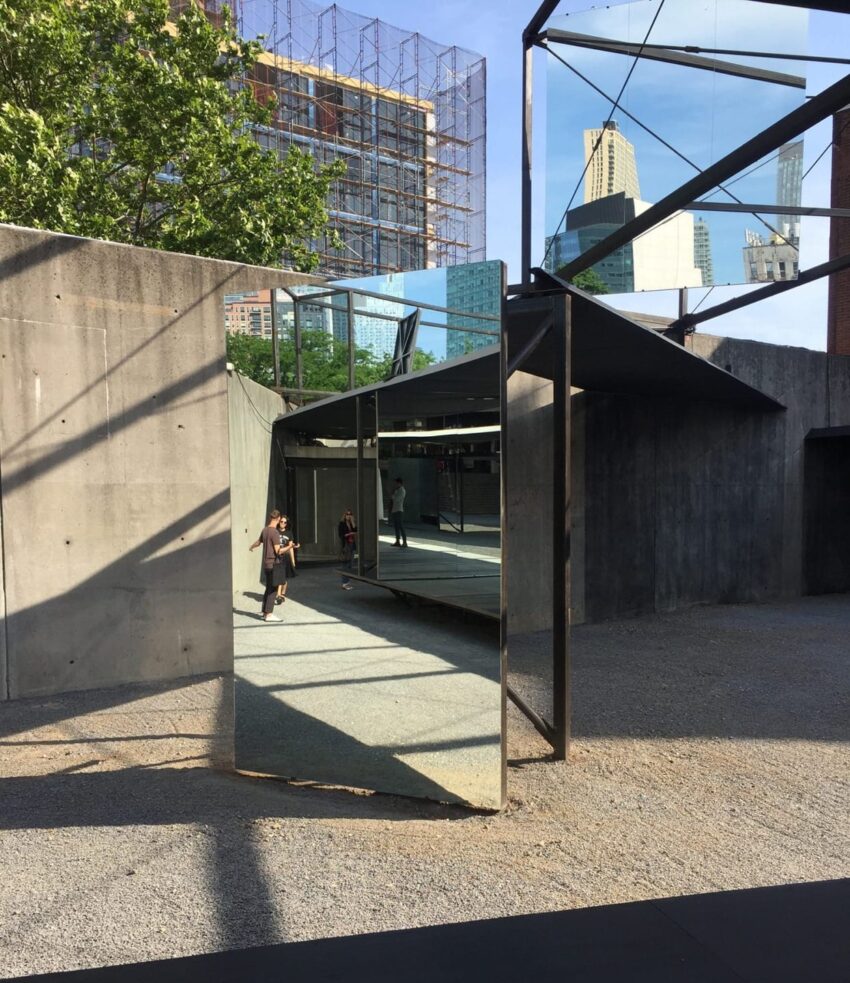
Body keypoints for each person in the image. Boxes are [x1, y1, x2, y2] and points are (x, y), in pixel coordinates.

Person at [249, 510, 285, 622]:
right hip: (273, 563)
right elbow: (278, 550)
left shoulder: (265, 530)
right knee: (273, 589)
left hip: (266, 564)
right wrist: (289, 547)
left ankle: (265, 612)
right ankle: (269, 614)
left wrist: (251, 546)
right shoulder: (274, 532)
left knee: (269, 587)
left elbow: (258, 542)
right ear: (278, 519)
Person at [274, 515, 299, 604]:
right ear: (279, 522)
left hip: (286, 557)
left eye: (285, 522)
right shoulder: (275, 532)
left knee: (284, 578)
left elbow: (291, 547)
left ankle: (282, 594)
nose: (283, 523)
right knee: (279, 576)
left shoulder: (289, 533)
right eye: (281, 521)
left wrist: (293, 560)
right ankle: (278, 595)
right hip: (277, 557)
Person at [338, 508, 357, 590]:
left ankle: (347, 583)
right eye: (347, 514)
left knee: (350, 565)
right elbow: (341, 535)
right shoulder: (341, 524)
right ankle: (344, 583)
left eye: (350, 514)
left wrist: (352, 522)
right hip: (346, 545)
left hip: (352, 544)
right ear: (344, 515)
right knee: (345, 564)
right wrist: (348, 534)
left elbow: (356, 530)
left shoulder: (351, 523)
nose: (348, 516)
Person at [389, 477, 407, 547]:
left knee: (400, 526)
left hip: (399, 510)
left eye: (396, 483)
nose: (395, 484)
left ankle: (404, 542)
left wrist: (392, 495)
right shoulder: (397, 490)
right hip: (395, 510)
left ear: (399, 483)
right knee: (396, 526)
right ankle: (397, 541)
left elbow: (396, 499)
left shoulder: (402, 490)